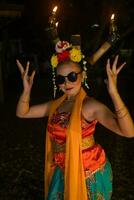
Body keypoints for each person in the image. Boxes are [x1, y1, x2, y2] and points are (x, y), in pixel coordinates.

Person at [16, 40, 134, 200]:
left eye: (72, 76)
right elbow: (23, 113)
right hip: (62, 171)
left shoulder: (89, 106)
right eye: (60, 79)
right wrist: (26, 91)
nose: (66, 83)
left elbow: (128, 132)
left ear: (82, 75)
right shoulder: (57, 105)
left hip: (88, 173)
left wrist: (114, 94)